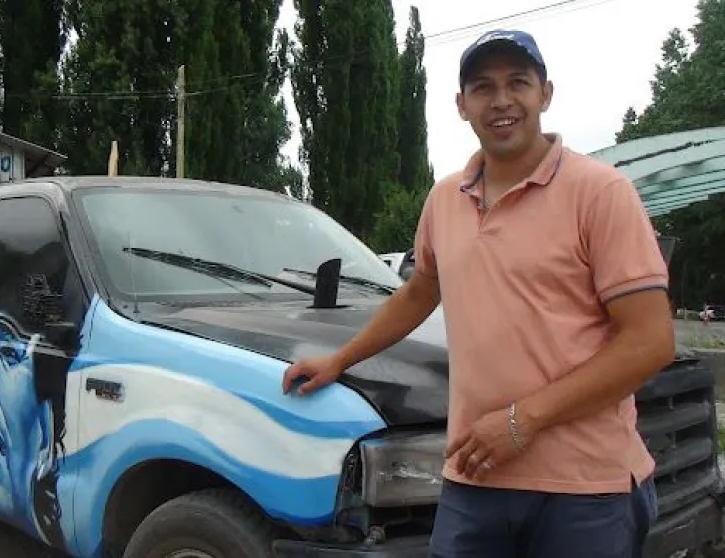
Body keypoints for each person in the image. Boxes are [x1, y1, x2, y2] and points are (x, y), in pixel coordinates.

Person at [281, 29, 675, 558]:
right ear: (462, 105)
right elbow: (420, 292)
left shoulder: (601, 193)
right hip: (476, 475)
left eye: (518, 83)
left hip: (586, 487)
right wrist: (339, 360)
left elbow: (650, 342)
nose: (502, 100)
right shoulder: (446, 199)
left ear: (545, 94)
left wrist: (521, 422)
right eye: (483, 87)